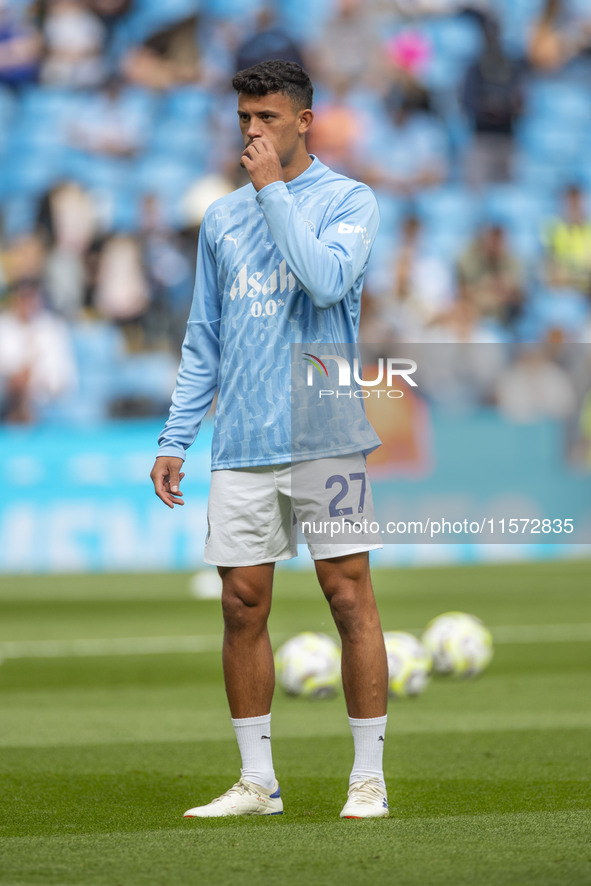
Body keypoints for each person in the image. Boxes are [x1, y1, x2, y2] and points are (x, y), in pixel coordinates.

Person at [150, 60, 389, 820]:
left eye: (267, 118)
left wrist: (271, 193)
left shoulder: (349, 201)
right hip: (243, 441)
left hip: (325, 433)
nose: (252, 131)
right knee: (241, 604)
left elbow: (323, 281)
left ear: (303, 120)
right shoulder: (220, 219)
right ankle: (258, 782)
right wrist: (175, 436)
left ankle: (367, 779)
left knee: (347, 597)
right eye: (244, 118)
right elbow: (204, 339)